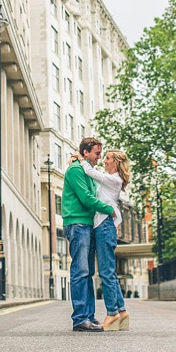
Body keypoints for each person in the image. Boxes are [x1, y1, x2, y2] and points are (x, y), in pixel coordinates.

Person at [61, 137, 115, 332]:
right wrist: (108, 209)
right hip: (77, 223)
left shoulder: (85, 170)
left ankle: (89, 317)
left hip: (87, 224)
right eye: (97, 153)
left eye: (101, 154)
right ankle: (80, 319)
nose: (99, 157)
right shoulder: (76, 170)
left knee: (88, 273)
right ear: (86, 153)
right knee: (80, 271)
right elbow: (86, 198)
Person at [82, 149, 131, 331]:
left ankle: (112, 314)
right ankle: (122, 311)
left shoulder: (114, 179)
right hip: (104, 225)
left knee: (106, 271)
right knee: (108, 271)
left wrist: (81, 159)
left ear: (116, 163)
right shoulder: (113, 180)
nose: (104, 161)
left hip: (104, 226)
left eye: (108, 158)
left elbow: (91, 172)